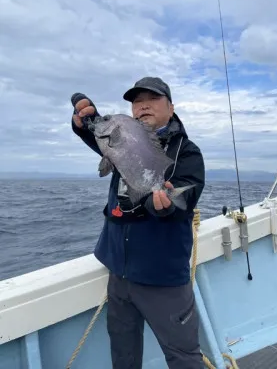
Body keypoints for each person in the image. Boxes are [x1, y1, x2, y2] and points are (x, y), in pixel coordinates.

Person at [71, 77, 205, 369]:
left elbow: (186, 198)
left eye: (153, 98)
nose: (142, 104)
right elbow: (102, 138)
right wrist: (86, 121)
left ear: (171, 106)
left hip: (163, 277)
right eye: (136, 100)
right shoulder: (122, 136)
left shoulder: (188, 152)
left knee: (183, 357)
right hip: (119, 273)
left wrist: (165, 207)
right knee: (124, 354)